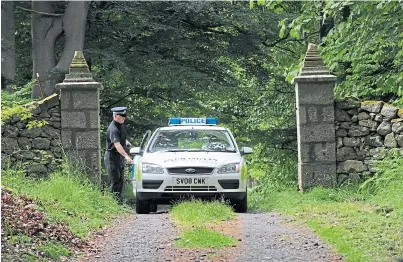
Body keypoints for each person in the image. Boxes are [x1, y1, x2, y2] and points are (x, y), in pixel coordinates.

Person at [104, 106, 132, 204]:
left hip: (118, 157)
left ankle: (119, 201)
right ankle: (113, 203)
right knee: (115, 180)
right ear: (115, 116)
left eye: (124, 116)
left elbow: (121, 138)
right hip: (112, 156)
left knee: (120, 179)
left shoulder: (120, 125)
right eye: (122, 116)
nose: (124, 118)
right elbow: (116, 144)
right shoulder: (113, 128)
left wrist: (127, 143)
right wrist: (126, 156)